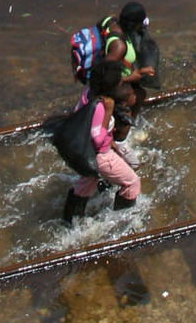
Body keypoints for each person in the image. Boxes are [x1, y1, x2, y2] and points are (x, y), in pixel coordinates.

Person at [58, 67, 141, 221]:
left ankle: (70, 222)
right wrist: (108, 112)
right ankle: (123, 222)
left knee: (85, 187)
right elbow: (97, 139)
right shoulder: (102, 106)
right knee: (132, 183)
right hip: (100, 155)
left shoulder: (87, 94)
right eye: (118, 83)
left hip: (86, 154)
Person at [99, 1, 162, 134]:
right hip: (110, 85)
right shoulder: (119, 46)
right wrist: (131, 77)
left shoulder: (111, 21)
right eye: (141, 24)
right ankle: (121, 138)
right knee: (134, 99)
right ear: (134, 25)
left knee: (139, 93)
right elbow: (103, 77)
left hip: (116, 76)